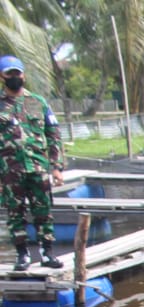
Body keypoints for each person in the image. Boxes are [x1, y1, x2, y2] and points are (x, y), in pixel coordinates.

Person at [0, 55, 64, 272]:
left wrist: (56, 167)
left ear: (23, 75)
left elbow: (53, 135)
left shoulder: (38, 102)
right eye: (10, 73)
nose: (14, 77)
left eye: (17, 73)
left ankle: (47, 254)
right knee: (15, 214)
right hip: (9, 171)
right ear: (2, 76)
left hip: (38, 168)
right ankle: (22, 256)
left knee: (43, 212)